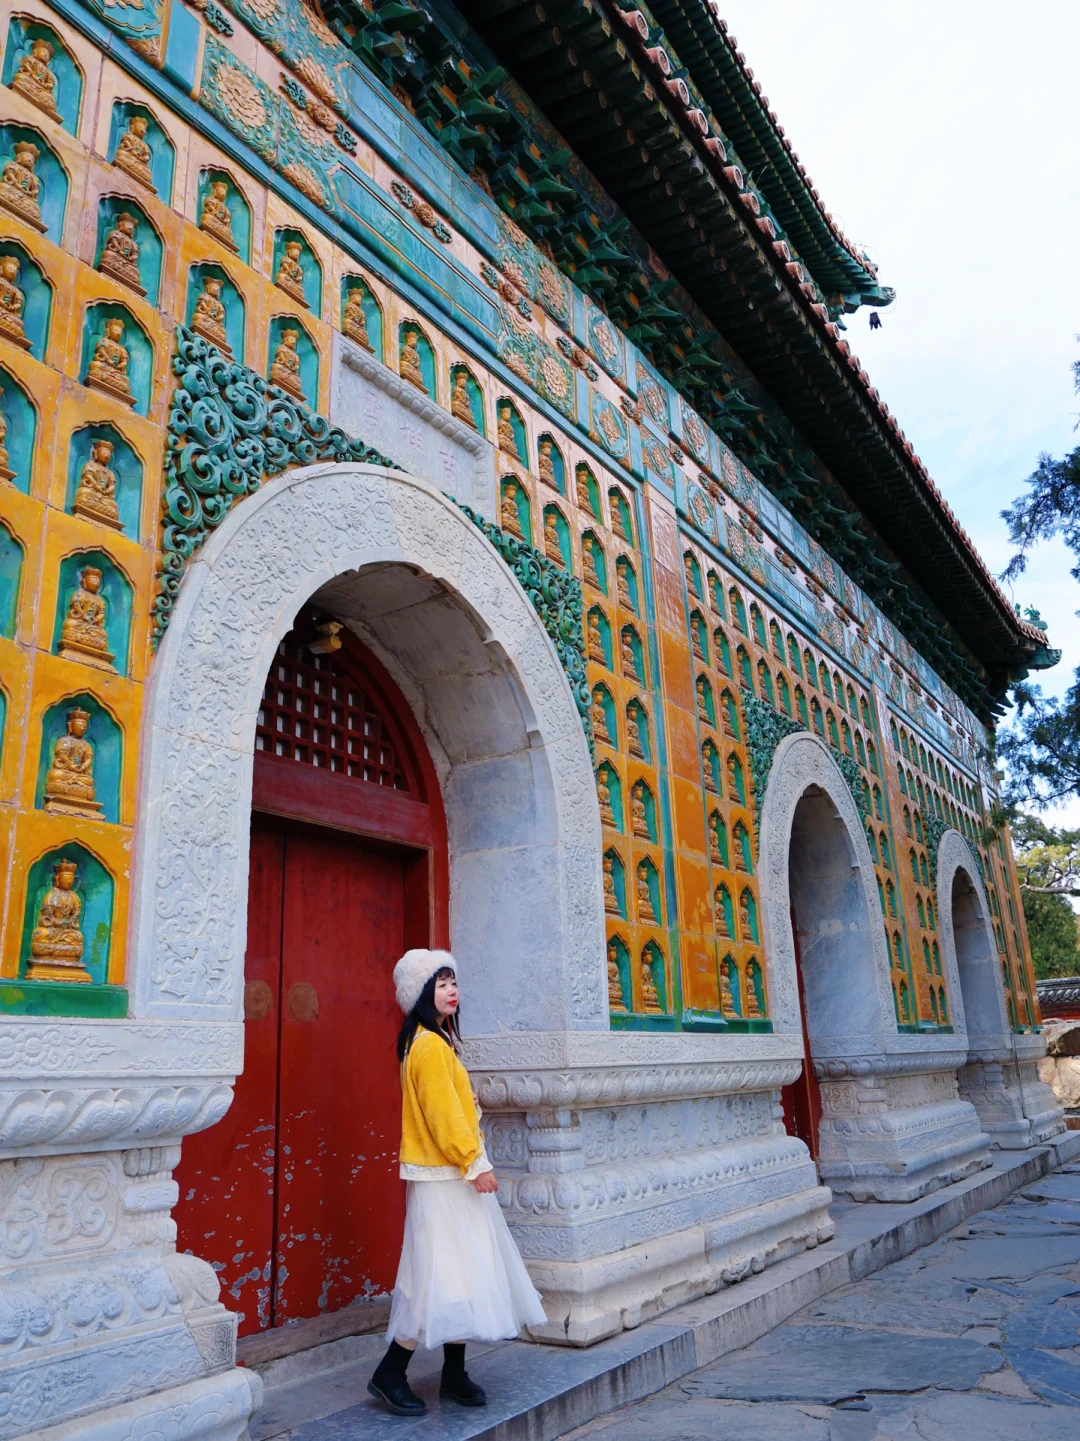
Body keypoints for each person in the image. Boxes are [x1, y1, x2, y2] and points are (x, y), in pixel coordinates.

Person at [367, 949, 546, 1416]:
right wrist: (474, 1163)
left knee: (459, 1270)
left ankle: (454, 1373)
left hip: (451, 1174)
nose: (451, 991)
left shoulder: (434, 1042)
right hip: (446, 1176)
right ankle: (391, 1372)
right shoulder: (428, 1045)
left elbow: (451, 1108)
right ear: (422, 994)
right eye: (440, 983)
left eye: (453, 982)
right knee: (438, 1273)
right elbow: (443, 1117)